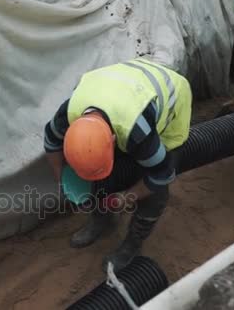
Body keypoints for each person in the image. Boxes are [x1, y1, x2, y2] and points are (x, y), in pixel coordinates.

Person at [43, 57, 192, 272]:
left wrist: (127, 197)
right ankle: (102, 218)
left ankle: (132, 244)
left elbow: (162, 173)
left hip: (171, 94)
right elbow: (51, 141)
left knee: (155, 191)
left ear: (113, 141)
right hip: (125, 85)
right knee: (98, 165)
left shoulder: (138, 132)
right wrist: (61, 180)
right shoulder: (69, 113)